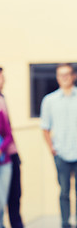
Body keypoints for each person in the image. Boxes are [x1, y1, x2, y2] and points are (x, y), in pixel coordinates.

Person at [0, 66, 24, 228]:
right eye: (2, 77)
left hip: (7, 157)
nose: (4, 80)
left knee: (13, 196)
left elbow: (8, 132)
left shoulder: (0, 101)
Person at [40, 63, 77, 228]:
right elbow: (45, 128)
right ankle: (65, 222)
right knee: (63, 191)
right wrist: (52, 150)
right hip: (61, 154)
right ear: (57, 78)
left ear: (73, 76)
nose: (65, 78)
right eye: (61, 75)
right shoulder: (49, 100)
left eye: (67, 74)